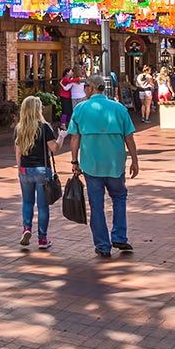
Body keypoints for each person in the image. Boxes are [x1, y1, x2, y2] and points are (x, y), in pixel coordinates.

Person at [67, 74, 140, 258]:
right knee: (119, 197)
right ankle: (119, 236)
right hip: (115, 163)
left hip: (91, 165)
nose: (84, 90)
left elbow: (75, 138)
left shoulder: (81, 109)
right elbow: (129, 137)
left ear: (91, 88)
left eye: (85, 87)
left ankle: (102, 245)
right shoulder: (118, 108)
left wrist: (74, 161)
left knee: (96, 205)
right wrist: (134, 160)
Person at [14, 96, 59, 251]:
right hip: (42, 169)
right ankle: (42, 238)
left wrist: (20, 169)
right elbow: (54, 148)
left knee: (27, 202)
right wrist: (62, 137)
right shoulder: (44, 127)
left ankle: (26, 228)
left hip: (25, 170)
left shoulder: (20, 128)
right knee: (42, 206)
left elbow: (18, 152)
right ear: (37, 110)